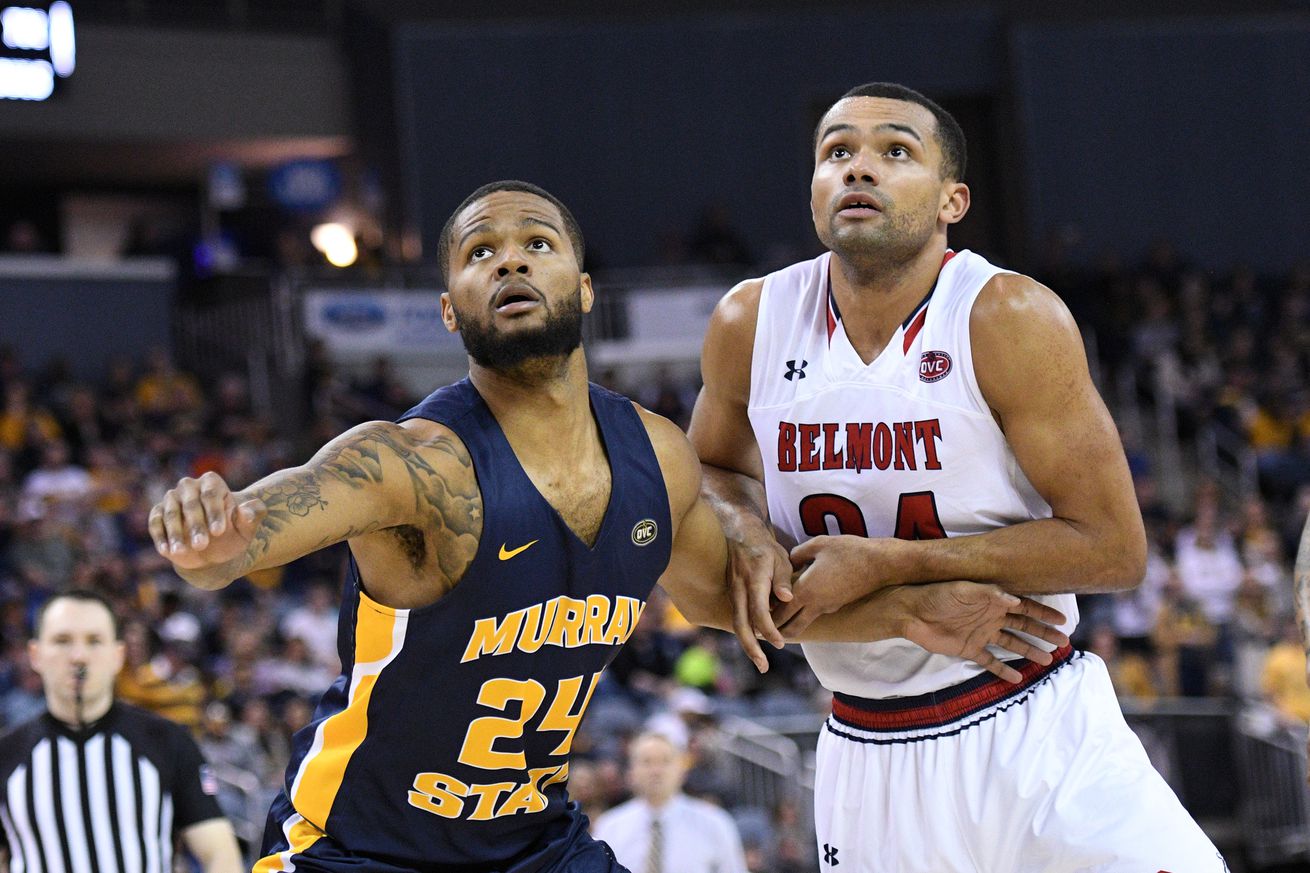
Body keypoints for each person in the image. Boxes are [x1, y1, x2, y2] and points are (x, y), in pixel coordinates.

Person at [149, 180, 1066, 873]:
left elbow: (742, 605)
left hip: (536, 844)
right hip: (357, 847)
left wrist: (909, 611)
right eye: (479, 254)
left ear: (583, 289)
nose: (508, 261)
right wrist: (218, 534)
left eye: (535, 244)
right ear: (448, 310)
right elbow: (263, 521)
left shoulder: (657, 456)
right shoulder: (414, 463)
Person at [687, 82, 1225, 871]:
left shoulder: (1008, 316)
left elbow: (1115, 548)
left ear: (952, 200)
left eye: (894, 151)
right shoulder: (750, 320)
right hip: (869, 748)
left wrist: (900, 563)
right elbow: (710, 466)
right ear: (812, 192)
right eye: (837, 152)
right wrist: (740, 524)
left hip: (1037, 721)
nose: (858, 170)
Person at [0, 590, 242, 872]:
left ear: (118, 655)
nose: (79, 656)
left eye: (94, 641)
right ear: (35, 655)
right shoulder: (7, 753)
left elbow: (220, 853)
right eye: (62, 641)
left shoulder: (167, 741)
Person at [592, 730, 747, 873]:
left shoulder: (715, 823)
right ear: (632, 771)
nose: (656, 771)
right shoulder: (610, 826)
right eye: (647, 762)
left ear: (682, 769)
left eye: (665, 761)